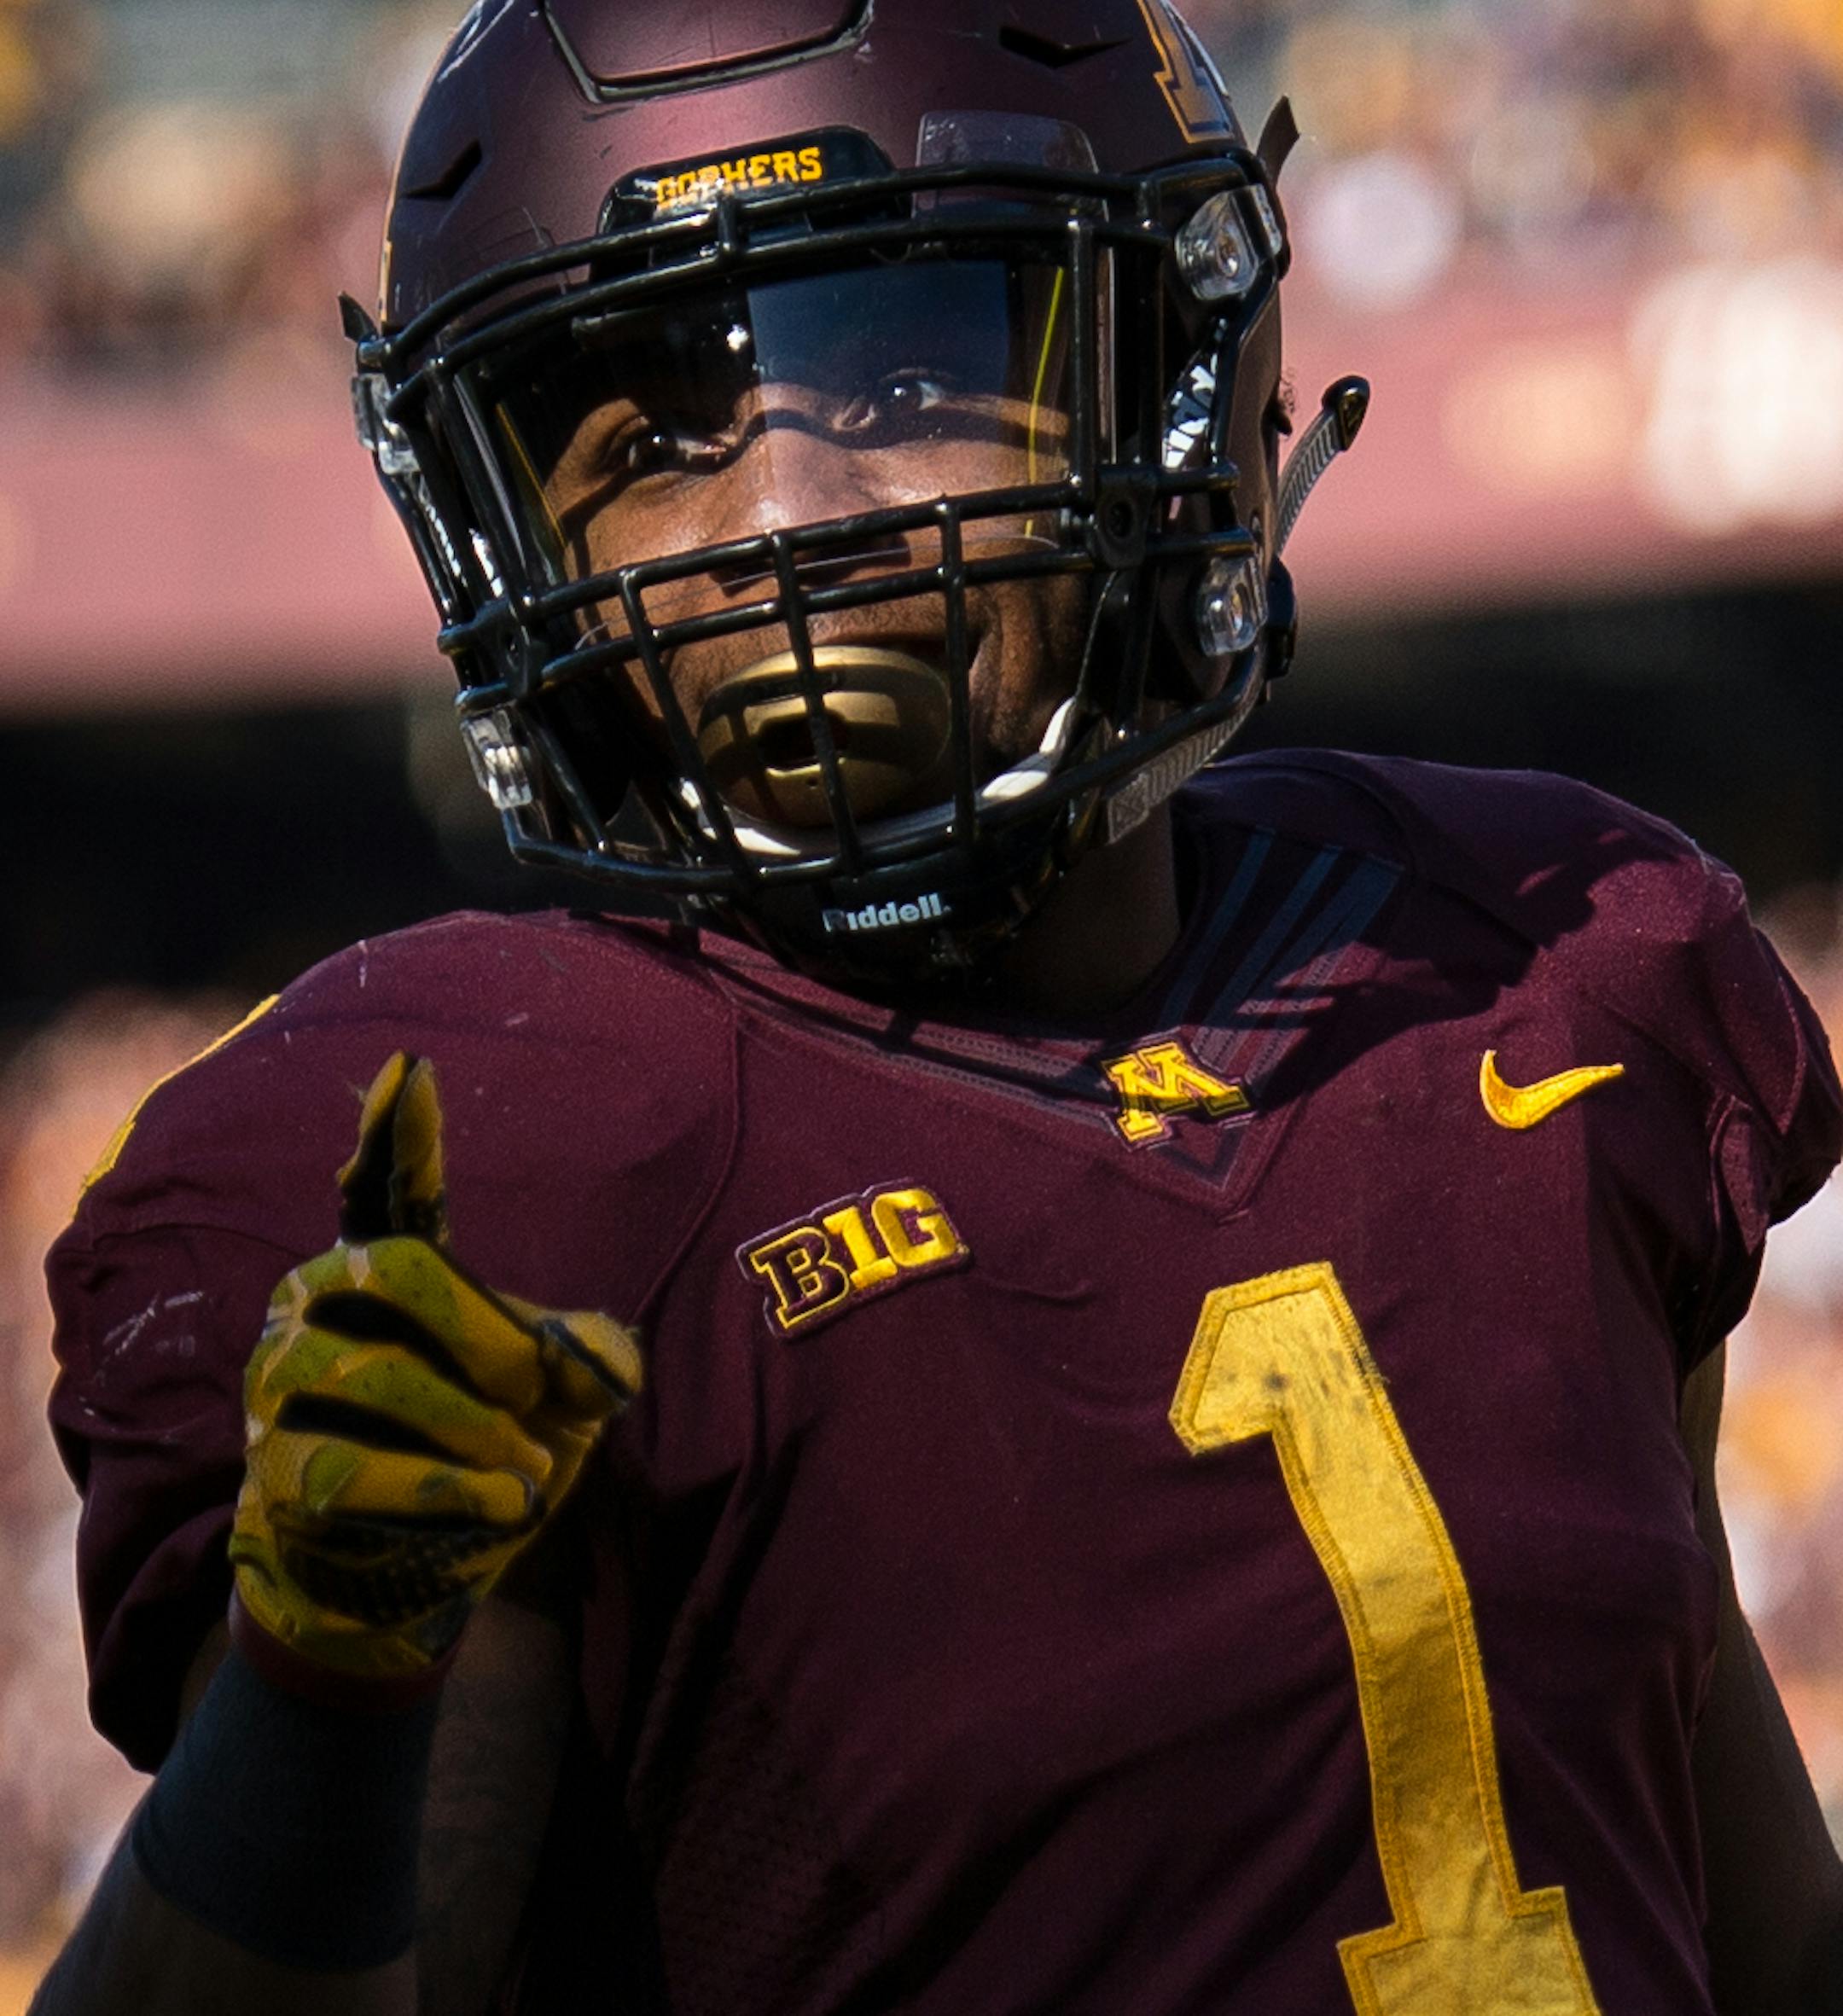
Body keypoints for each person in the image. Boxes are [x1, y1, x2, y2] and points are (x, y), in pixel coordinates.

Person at [30, 2, 1843, 2011]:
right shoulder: (502, 1152)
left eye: (902, 373)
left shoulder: (1542, 972)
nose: (792, 509)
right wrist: (316, 1696)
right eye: (652, 431)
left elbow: (1747, 1927)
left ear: (1178, 382)